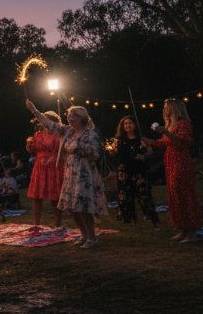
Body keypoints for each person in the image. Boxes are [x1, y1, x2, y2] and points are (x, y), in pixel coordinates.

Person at [26, 100, 108, 248]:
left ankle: (92, 238)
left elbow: (95, 154)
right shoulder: (67, 131)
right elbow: (49, 124)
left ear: (81, 118)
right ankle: (83, 235)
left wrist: (78, 148)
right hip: (70, 172)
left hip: (84, 173)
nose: (70, 119)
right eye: (69, 116)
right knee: (71, 206)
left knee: (83, 206)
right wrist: (34, 109)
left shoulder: (90, 133)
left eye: (73, 116)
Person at [144, 98, 202, 242]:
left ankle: (192, 232)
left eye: (166, 106)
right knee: (174, 195)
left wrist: (166, 132)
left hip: (181, 161)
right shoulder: (170, 124)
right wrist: (149, 141)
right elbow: (165, 143)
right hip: (170, 162)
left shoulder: (183, 123)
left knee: (183, 194)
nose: (163, 109)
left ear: (175, 108)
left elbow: (183, 142)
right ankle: (182, 229)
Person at [108, 116, 158, 226]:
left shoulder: (142, 139)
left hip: (139, 169)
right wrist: (111, 151)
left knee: (143, 193)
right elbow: (114, 154)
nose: (128, 125)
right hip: (124, 170)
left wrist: (143, 156)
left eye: (130, 123)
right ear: (122, 126)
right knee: (125, 194)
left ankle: (149, 215)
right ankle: (127, 217)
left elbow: (150, 152)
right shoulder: (118, 140)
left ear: (135, 125)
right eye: (125, 124)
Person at [26, 112, 64, 227]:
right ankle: (36, 223)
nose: (43, 123)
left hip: (54, 167)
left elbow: (60, 151)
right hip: (39, 167)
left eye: (46, 120)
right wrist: (28, 146)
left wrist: (51, 159)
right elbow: (32, 151)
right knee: (36, 196)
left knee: (55, 197)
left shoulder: (59, 135)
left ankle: (57, 223)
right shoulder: (38, 134)